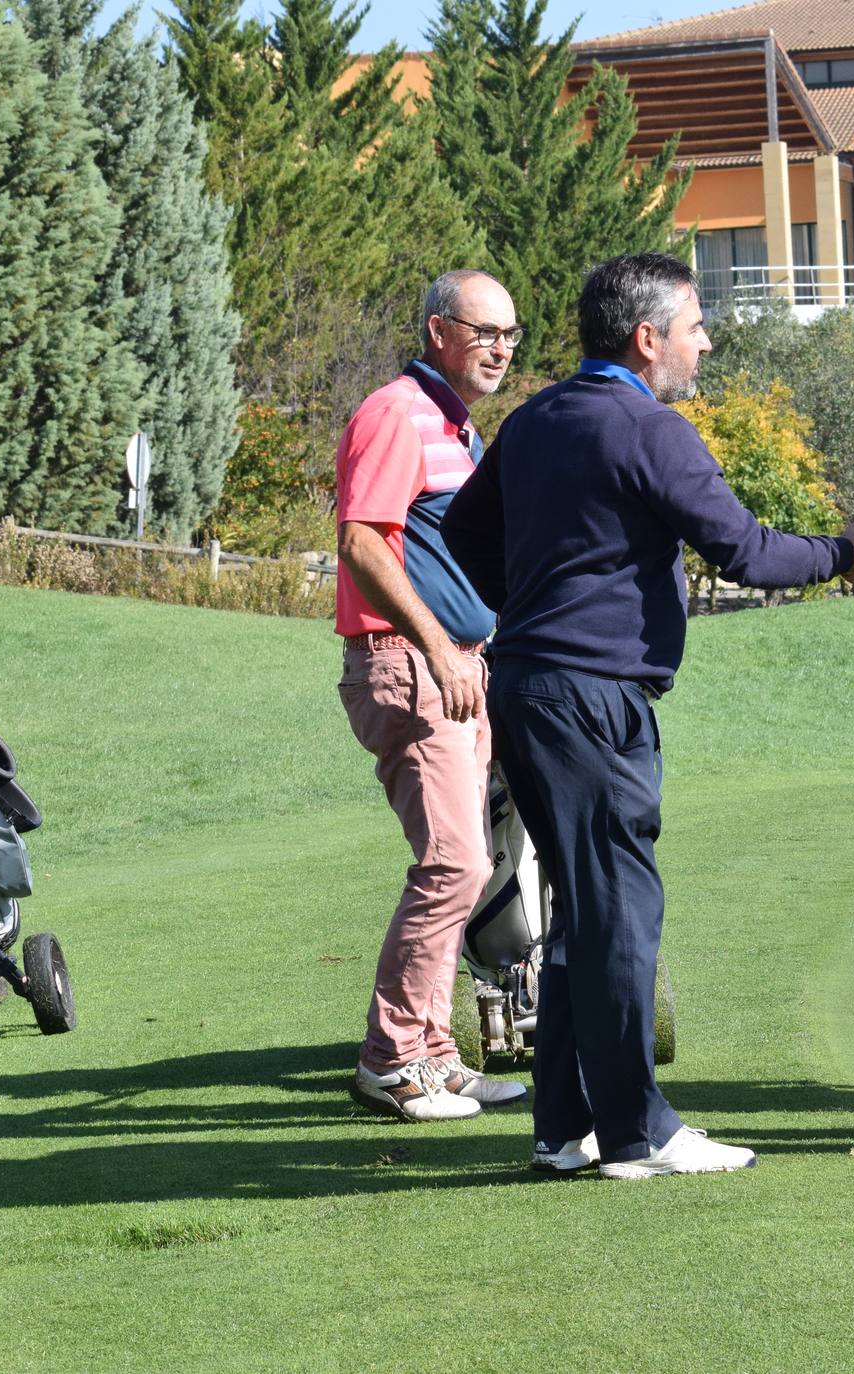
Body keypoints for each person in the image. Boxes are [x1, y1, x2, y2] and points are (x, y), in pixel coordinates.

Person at [442, 252, 854, 1179]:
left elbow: (463, 534)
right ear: (647, 339)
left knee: (582, 912)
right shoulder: (649, 429)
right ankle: (639, 1132)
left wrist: (526, 600)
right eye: (693, 326)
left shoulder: (533, 420)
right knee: (621, 913)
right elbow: (749, 553)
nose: (705, 341)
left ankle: (567, 1129)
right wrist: (846, 552)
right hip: (590, 697)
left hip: (526, 687)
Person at [335, 269, 529, 1122]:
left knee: (468, 863)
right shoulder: (395, 412)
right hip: (408, 663)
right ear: (436, 330)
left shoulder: (456, 427)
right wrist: (438, 647)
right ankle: (391, 1061)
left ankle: (436, 1055)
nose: (500, 349)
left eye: (510, 335)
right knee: (455, 861)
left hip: (456, 664)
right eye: (484, 331)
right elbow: (360, 543)